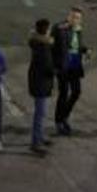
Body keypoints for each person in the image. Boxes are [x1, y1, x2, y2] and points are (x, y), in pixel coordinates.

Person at [52, 7, 90, 135]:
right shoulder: (61, 28)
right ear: (69, 17)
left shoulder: (78, 31)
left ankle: (64, 116)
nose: (75, 20)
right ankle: (59, 122)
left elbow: (77, 45)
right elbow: (55, 42)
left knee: (76, 92)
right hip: (63, 66)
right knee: (63, 93)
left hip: (75, 65)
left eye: (78, 18)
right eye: (73, 17)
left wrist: (85, 50)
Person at [27, 18, 56, 155]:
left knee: (41, 113)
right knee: (40, 113)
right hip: (41, 83)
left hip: (37, 82)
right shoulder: (44, 48)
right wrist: (59, 71)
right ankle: (35, 142)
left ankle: (40, 137)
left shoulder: (37, 43)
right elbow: (48, 68)